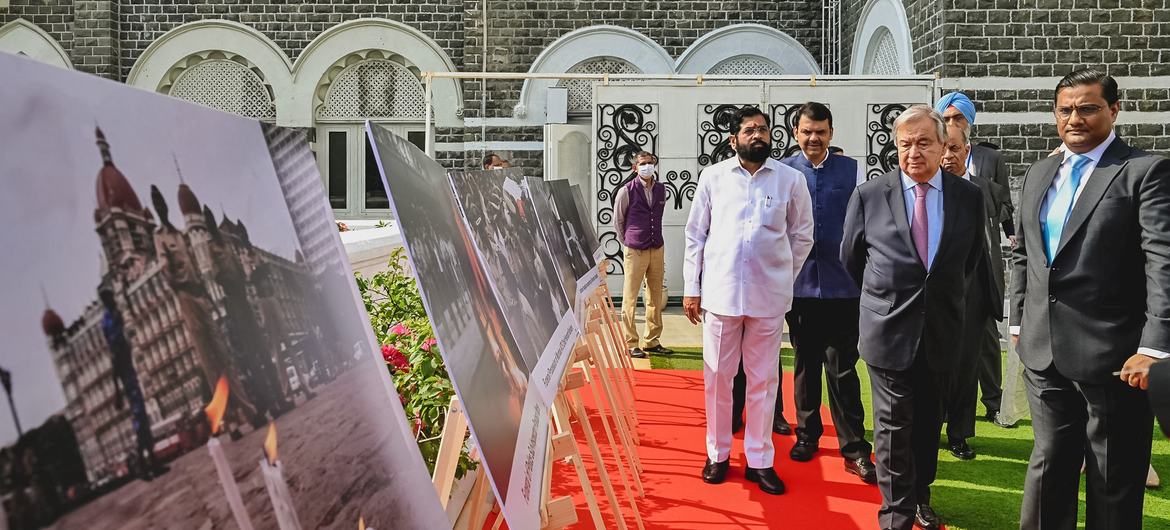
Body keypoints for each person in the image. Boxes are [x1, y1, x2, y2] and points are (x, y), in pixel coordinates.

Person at [1010, 69, 1170, 529]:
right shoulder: (1041, 171)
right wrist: (1019, 323)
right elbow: (1025, 255)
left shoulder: (1145, 171)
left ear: (1114, 110)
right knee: (1048, 470)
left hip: (1116, 358)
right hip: (1044, 353)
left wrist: (1154, 346)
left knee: (1112, 479)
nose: (1074, 118)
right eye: (1065, 109)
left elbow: (1163, 263)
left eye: (1088, 107)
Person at [841, 105, 985, 530]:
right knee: (891, 427)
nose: (913, 152)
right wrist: (884, 297)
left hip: (942, 330)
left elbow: (969, 260)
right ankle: (896, 515)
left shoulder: (968, 198)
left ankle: (920, 497)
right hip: (888, 329)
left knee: (926, 424)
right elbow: (851, 258)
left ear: (944, 146)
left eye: (924, 142)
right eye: (905, 144)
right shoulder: (870, 196)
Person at [684, 106, 814, 495]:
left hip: (768, 298)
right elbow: (696, 235)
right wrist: (693, 287)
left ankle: (760, 460)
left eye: (763, 129)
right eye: (749, 130)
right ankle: (718, 454)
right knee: (718, 379)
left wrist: (780, 276)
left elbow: (802, 235)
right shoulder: (713, 177)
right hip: (721, 295)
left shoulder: (790, 180)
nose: (757, 135)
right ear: (733, 139)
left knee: (763, 380)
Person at [775, 102, 875, 484]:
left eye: (821, 131)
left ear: (831, 133)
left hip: (844, 286)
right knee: (805, 363)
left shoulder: (853, 169)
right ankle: (807, 434)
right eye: (806, 132)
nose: (813, 138)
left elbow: (866, 223)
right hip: (798, 286)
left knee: (844, 368)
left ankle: (854, 447)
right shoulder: (783, 172)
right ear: (796, 133)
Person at [936, 92, 1017, 427]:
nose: (954, 123)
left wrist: (1008, 229)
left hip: (983, 255)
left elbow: (1002, 201)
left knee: (983, 336)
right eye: (949, 118)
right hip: (946, 267)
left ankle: (993, 401)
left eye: (959, 118)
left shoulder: (988, 157)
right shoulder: (931, 156)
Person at [614, 151, 673, 358]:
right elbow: (618, 221)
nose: (647, 166)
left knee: (655, 296)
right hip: (635, 249)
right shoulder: (626, 191)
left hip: (656, 247)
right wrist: (628, 241)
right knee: (630, 297)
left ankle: (652, 340)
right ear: (635, 168)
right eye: (643, 163)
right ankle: (631, 342)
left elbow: (658, 216)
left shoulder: (661, 189)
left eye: (650, 163)